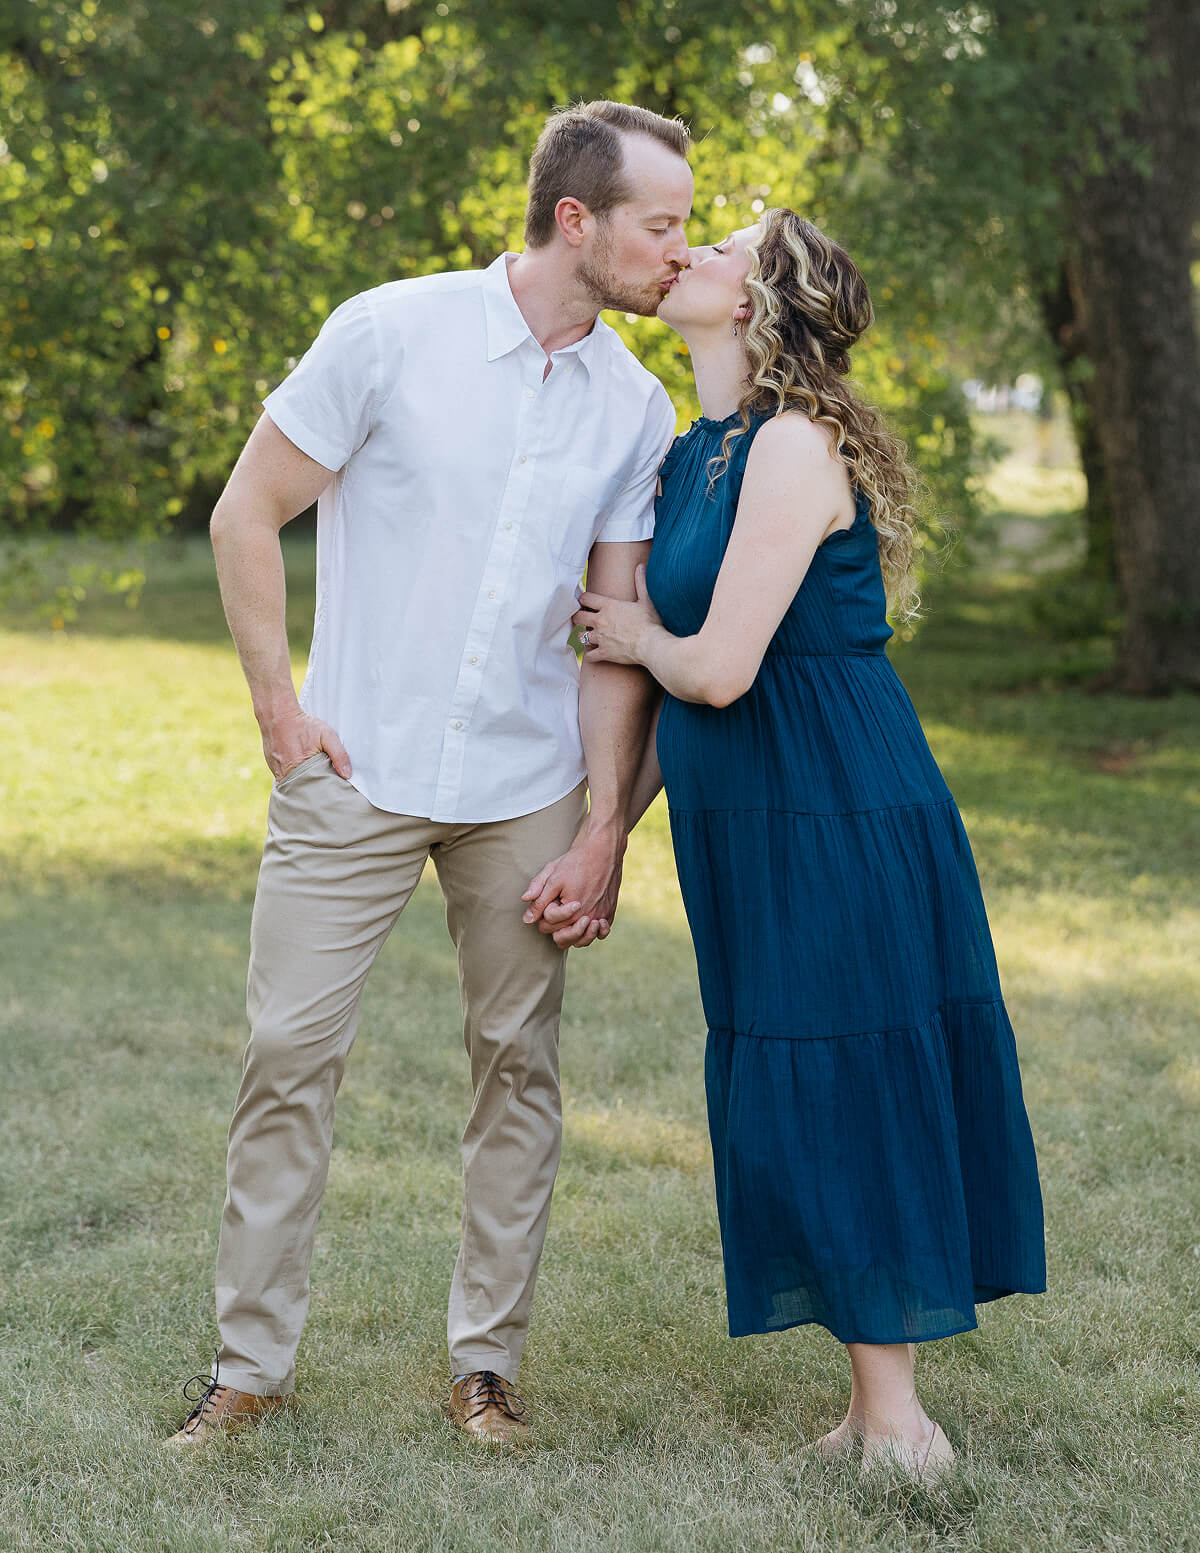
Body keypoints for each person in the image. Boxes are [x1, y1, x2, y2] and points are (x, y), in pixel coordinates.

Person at [166, 100, 693, 1449]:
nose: (679, 252)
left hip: (527, 785)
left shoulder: (637, 409)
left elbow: (611, 634)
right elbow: (245, 510)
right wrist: (280, 713)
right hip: (356, 764)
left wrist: (605, 826)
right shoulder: (389, 331)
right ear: (577, 220)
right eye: (660, 224)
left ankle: (486, 1366)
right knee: (288, 1053)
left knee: (518, 1067)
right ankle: (249, 1368)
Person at [565, 210, 1046, 1479]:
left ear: (759, 301)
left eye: (725, 243)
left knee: (847, 1074)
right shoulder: (699, 451)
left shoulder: (791, 444)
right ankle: (869, 1402)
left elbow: (715, 667)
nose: (692, 250)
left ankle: (900, 1423)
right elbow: (684, 693)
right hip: (750, 818)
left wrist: (634, 636)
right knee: (795, 1083)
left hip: (836, 803)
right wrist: (606, 831)